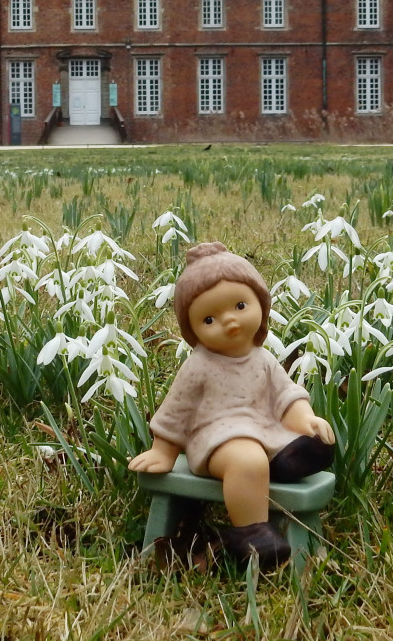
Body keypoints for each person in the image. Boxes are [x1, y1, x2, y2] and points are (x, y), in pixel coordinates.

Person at [128, 241, 335, 569]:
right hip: (217, 440)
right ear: (193, 330)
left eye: (240, 305)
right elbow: (177, 410)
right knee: (248, 459)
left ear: (261, 305)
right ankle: (250, 532)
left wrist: (306, 419)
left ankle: (286, 461)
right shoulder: (199, 365)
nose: (230, 322)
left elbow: (285, 396)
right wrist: (163, 451)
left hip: (263, 430)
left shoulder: (263, 358)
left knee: (312, 442)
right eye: (209, 318)